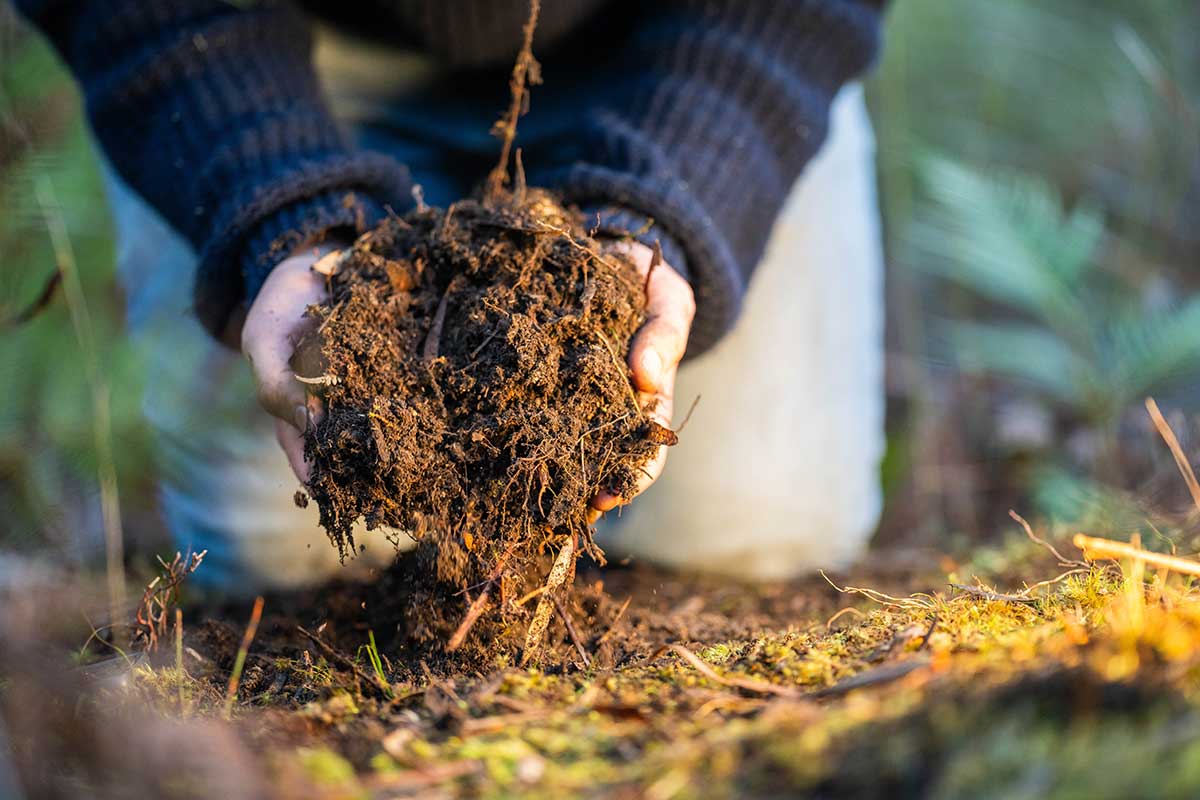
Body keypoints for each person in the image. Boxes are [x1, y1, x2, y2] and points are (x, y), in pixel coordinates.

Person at [16, 0, 887, 588]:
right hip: (276, 51)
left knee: (751, 533)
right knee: (277, 553)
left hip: (694, 47)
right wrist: (284, 212)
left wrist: (664, 201)